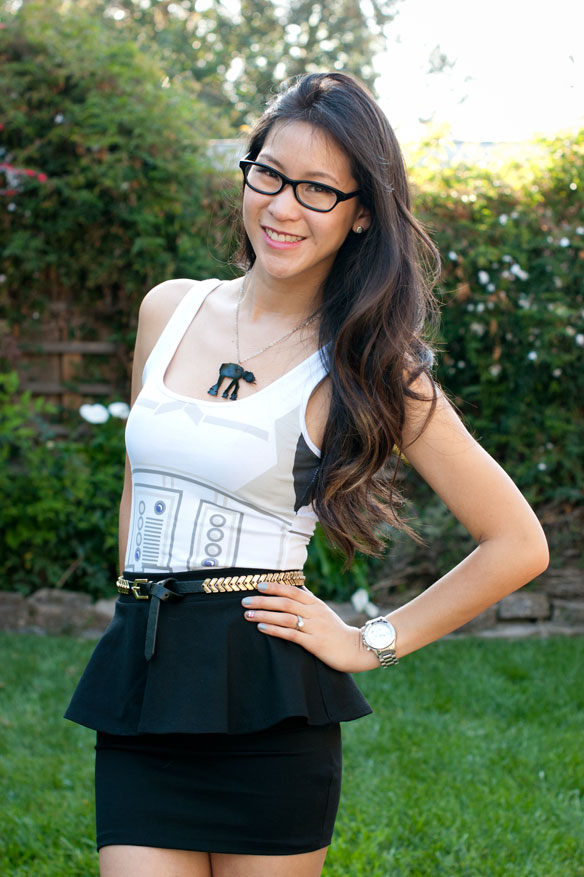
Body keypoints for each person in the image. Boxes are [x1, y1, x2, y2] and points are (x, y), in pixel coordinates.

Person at [66, 71, 549, 877]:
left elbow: (516, 542)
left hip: (269, 692)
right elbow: (136, 483)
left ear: (362, 213)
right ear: (248, 171)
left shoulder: (369, 362)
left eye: (319, 189)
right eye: (270, 174)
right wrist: (134, 609)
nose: (283, 206)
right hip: (144, 681)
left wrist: (371, 641)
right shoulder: (168, 309)